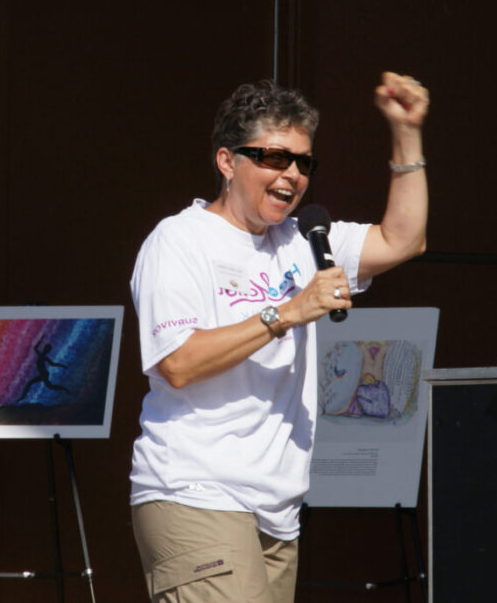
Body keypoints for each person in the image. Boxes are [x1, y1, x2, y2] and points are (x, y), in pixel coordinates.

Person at [129, 72, 429, 603]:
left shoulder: (303, 240)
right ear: (227, 162)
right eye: (273, 157)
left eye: (303, 162)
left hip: (277, 509)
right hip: (195, 492)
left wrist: (406, 132)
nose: (291, 174)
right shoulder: (179, 241)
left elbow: (403, 239)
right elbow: (177, 361)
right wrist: (286, 312)